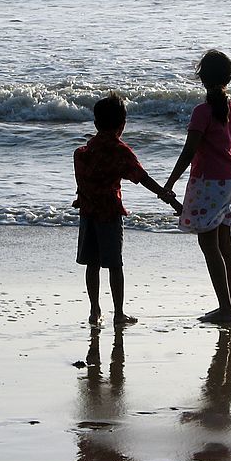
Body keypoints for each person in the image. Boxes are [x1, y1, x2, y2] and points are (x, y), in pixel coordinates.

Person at [73, 91, 182, 326]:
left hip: (88, 214)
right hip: (109, 215)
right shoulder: (120, 151)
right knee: (114, 265)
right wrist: (169, 198)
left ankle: (94, 311)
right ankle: (119, 313)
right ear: (122, 125)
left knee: (92, 264)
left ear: (95, 123)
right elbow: (142, 177)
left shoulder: (84, 152)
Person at [164, 50, 231, 323]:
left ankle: (225, 308)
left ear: (202, 78)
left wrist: (170, 182)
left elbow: (189, 151)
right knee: (225, 242)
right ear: (228, 78)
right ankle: (230, 303)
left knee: (209, 244)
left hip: (210, 182)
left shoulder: (203, 111)